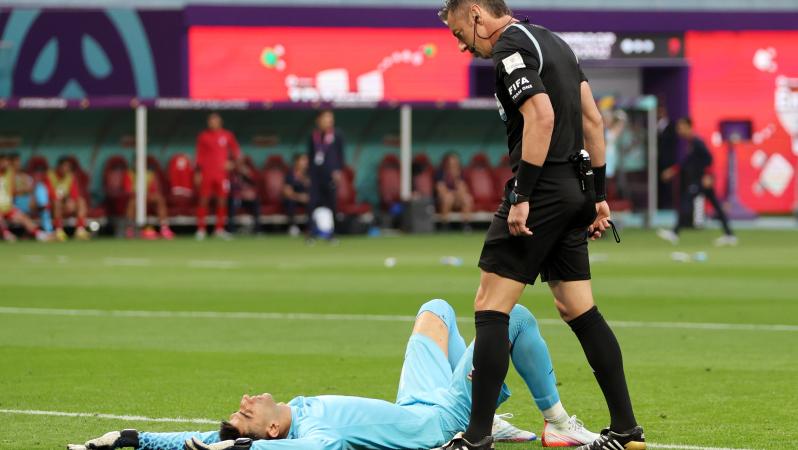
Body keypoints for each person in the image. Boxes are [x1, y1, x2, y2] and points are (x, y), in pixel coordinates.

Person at [437, 2, 645, 449]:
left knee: (490, 308)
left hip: (543, 190)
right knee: (579, 310)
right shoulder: (557, 43)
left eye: (459, 32)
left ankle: (475, 438)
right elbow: (593, 120)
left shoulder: (510, 46)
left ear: (476, 14)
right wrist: (599, 196)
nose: (460, 44)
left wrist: (522, 195)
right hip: (575, 188)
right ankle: (626, 429)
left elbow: (542, 114)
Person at [67, 299, 600, 450]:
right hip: (438, 422)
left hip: (414, 402)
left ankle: (489, 412)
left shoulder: (289, 417)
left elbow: (203, 440)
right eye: (246, 413)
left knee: (436, 310)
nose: (247, 399)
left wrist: (129, 438)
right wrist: (248, 449)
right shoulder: (313, 436)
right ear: (271, 431)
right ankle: (553, 421)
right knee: (515, 318)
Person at [657, 117, 736, 246]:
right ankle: (729, 234)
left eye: (681, 127)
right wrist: (673, 171)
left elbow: (709, 158)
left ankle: (675, 233)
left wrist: (708, 176)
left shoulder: (697, 142)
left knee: (686, 201)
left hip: (701, 180)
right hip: (701, 179)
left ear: (688, 127)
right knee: (715, 205)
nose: (678, 130)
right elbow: (688, 161)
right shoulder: (692, 142)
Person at [195, 112, 242, 240]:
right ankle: (201, 229)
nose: (212, 123)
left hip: (222, 174)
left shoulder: (227, 135)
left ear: (220, 122)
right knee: (204, 199)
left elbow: (237, 152)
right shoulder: (203, 136)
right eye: (210, 121)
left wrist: (232, 164)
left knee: (222, 200)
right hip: (207, 173)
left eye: (215, 121)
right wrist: (198, 172)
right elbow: (199, 155)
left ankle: (219, 229)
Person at [307, 110, 344, 240]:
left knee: (331, 203)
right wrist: (309, 175)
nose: (329, 121)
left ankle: (332, 232)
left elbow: (340, 155)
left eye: (331, 118)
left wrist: (338, 171)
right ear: (319, 120)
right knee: (312, 203)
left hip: (330, 175)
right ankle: (312, 231)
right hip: (316, 175)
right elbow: (311, 155)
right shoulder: (314, 135)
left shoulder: (337, 135)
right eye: (326, 118)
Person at [0, 153, 48, 242]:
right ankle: (6, 234)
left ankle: (39, 234)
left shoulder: (10, 173)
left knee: (23, 217)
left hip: (8, 207)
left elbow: (13, 190)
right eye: (3, 162)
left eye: (6, 162)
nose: (5, 164)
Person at [123, 161, 174, 240]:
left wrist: (147, 195)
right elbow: (127, 190)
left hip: (147, 197)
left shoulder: (150, 174)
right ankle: (130, 229)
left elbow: (154, 189)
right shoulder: (129, 174)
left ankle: (164, 228)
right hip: (134, 197)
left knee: (159, 199)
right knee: (132, 202)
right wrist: (138, 196)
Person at [47, 156, 90, 241]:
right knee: (57, 202)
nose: (67, 169)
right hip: (52, 205)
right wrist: (61, 199)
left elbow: (75, 194)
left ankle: (80, 230)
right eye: (65, 166)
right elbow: (49, 193)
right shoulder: (50, 175)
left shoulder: (70, 176)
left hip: (66, 203)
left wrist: (69, 201)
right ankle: (59, 231)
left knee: (81, 201)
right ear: (59, 167)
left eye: (68, 167)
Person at [10, 153, 54, 235]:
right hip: (14, 205)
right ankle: (40, 234)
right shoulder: (7, 177)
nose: (18, 164)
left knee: (41, 190)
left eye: (18, 162)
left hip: (28, 203)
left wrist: (32, 198)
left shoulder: (25, 176)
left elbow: (31, 190)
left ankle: (48, 231)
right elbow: (12, 193)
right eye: (15, 163)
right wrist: (23, 190)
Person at [435, 153, 474, 231]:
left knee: (467, 198)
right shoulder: (440, 173)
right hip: (443, 201)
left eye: (455, 163)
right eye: (450, 163)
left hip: (457, 199)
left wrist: (456, 178)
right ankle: (445, 225)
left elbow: (463, 191)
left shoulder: (461, 173)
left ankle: (466, 225)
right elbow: (441, 191)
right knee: (448, 198)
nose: (452, 165)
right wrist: (453, 194)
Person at [227, 159, 262, 235]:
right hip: (237, 198)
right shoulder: (232, 174)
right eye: (239, 165)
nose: (241, 167)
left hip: (248, 199)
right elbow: (230, 188)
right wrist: (240, 194)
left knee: (256, 202)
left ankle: (258, 230)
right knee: (232, 202)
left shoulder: (250, 174)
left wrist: (248, 174)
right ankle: (231, 230)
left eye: (242, 165)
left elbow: (256, 186)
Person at [282, 154, 310, 237]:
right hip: (294, 198)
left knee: (313, 202)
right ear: (296, 162)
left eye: (306, 160)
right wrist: (300, 197)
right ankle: (293, 226)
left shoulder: (310, 174)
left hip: (306, 199)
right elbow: (287, 192)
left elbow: (314, 190)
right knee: (290, 202)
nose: (305, 163)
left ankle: (310, 227)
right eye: (303, 160)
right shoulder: (290, 174)